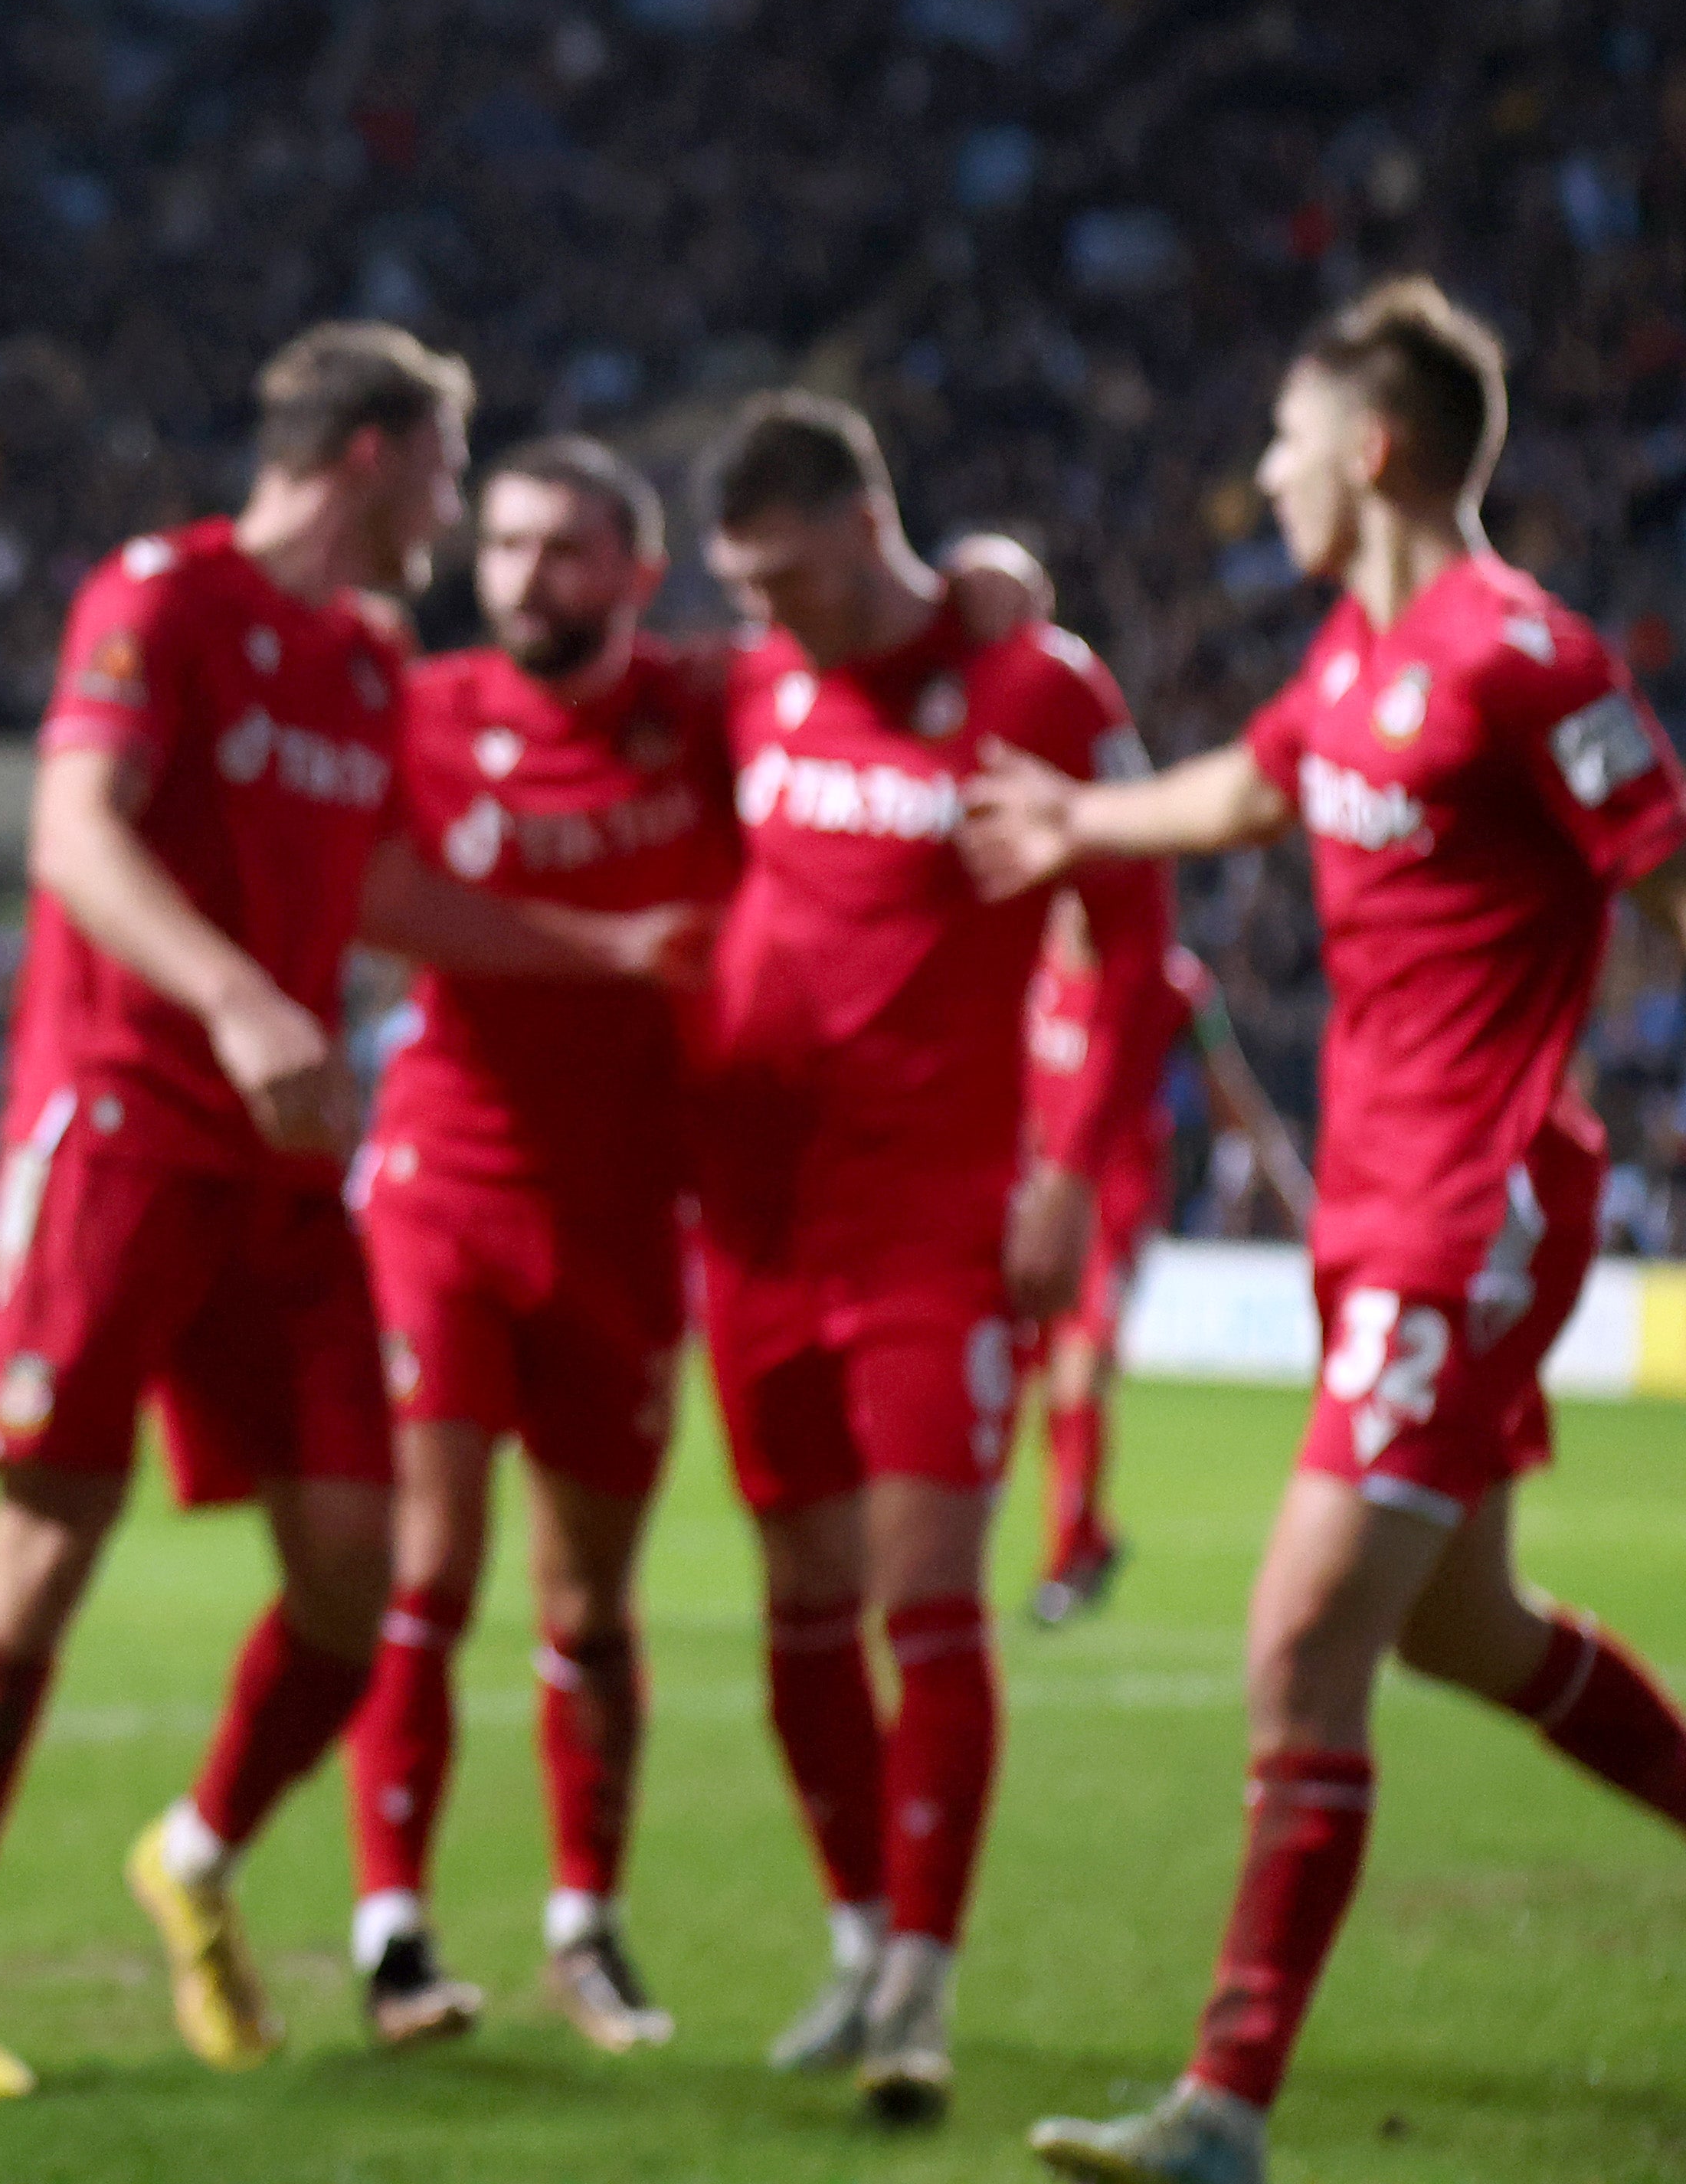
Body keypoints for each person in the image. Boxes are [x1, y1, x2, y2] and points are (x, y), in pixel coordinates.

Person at [0, 323, 707, 2106]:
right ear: (380, 456)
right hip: (120, 1138)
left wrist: (600, 949)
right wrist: (244, 1002)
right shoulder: (157, 596)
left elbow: (387, 882)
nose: (460, 516)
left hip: (284, 1175)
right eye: (453, 476)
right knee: (45, 1548)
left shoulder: (359, 659)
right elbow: (76, 837)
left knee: (357, 1579)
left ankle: (189, 1850)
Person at [964, 281, 1686, 2184]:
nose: (1257, 477)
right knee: (1466, 1629)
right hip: (1370, 1212)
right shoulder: (1351, 653)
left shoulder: (1522, 657)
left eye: (1280, 446)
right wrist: (1078, 825)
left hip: (1472, 1206)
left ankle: (1222, 2107)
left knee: (1300, 1644)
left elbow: (1666, 876)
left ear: (1366, 450)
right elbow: (1244, 784)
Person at [689, 391, 1181, 2126]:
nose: (769, 618)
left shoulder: (1035, 688)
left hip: (933, 1216)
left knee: (924, 1599)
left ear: (864, 524)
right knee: (798, 1608)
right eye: (741, 589)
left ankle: (920, 1981)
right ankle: (849, 1935)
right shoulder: (750, 681)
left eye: (790, 579)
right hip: (750, 1221)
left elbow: (1132, 942)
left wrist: (1072, 1168)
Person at [336, 436, 731, 2055]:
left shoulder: (710, 712)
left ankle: (587, 1921)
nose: (523, 577)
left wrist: (994, 585)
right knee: (428, 1564)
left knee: (592, 1601)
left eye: (566, 550)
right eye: (502, 545)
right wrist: (608, 948)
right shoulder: (424, 715)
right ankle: (393, 1936)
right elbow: (370, 895)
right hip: (445, 1190)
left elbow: (878, 655)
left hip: (631, 1216)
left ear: (637, 573)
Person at [1018, 889, 1313, 1629]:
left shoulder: (1172, 983)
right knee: (1047, 1382)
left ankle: (1064, 1566)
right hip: (1029, 1200)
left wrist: (1293, 1196)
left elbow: (1231, 1093)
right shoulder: (1029, 967)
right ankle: (1090, 1537)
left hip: (1113, 1209)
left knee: (1080, 1369)